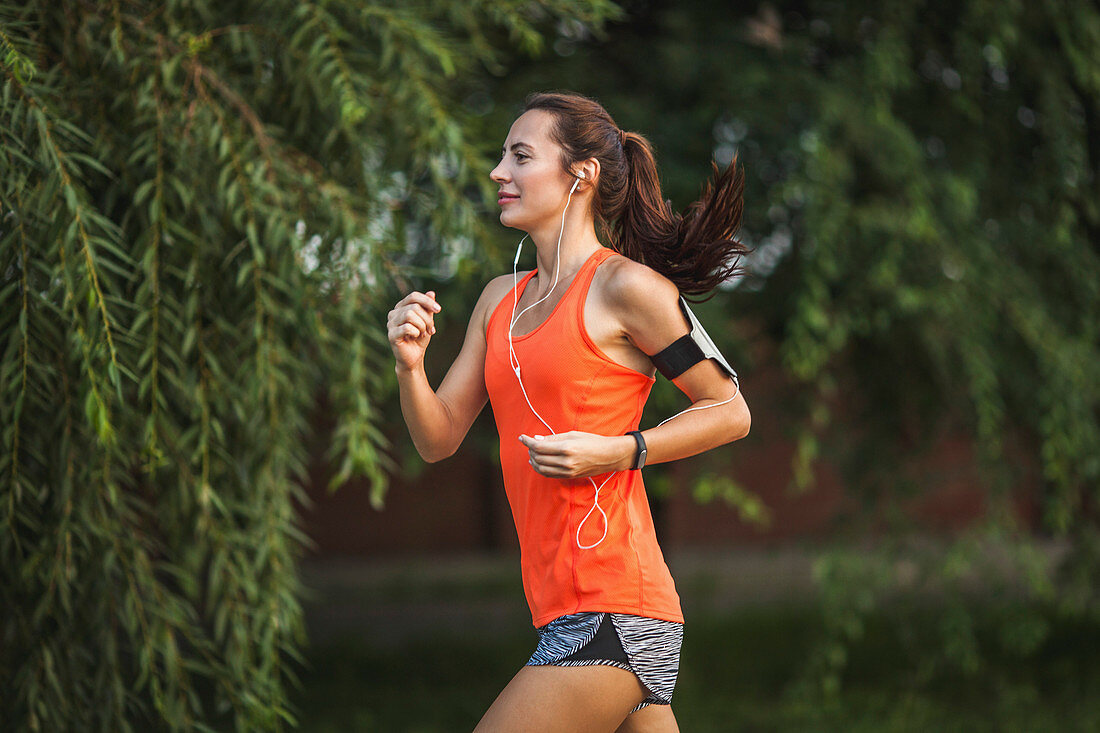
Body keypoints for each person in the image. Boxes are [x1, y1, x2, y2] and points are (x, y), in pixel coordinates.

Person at [388, 91, 751, 733]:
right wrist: (410, 364)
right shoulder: (500, 299)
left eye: (520, 156)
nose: (499, 172)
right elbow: (438, 438)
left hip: (616, 607)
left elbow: (729, 409)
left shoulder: (627, 288)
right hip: (562, 609)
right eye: (503, 156)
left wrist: (619, 450)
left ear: (581, 174)